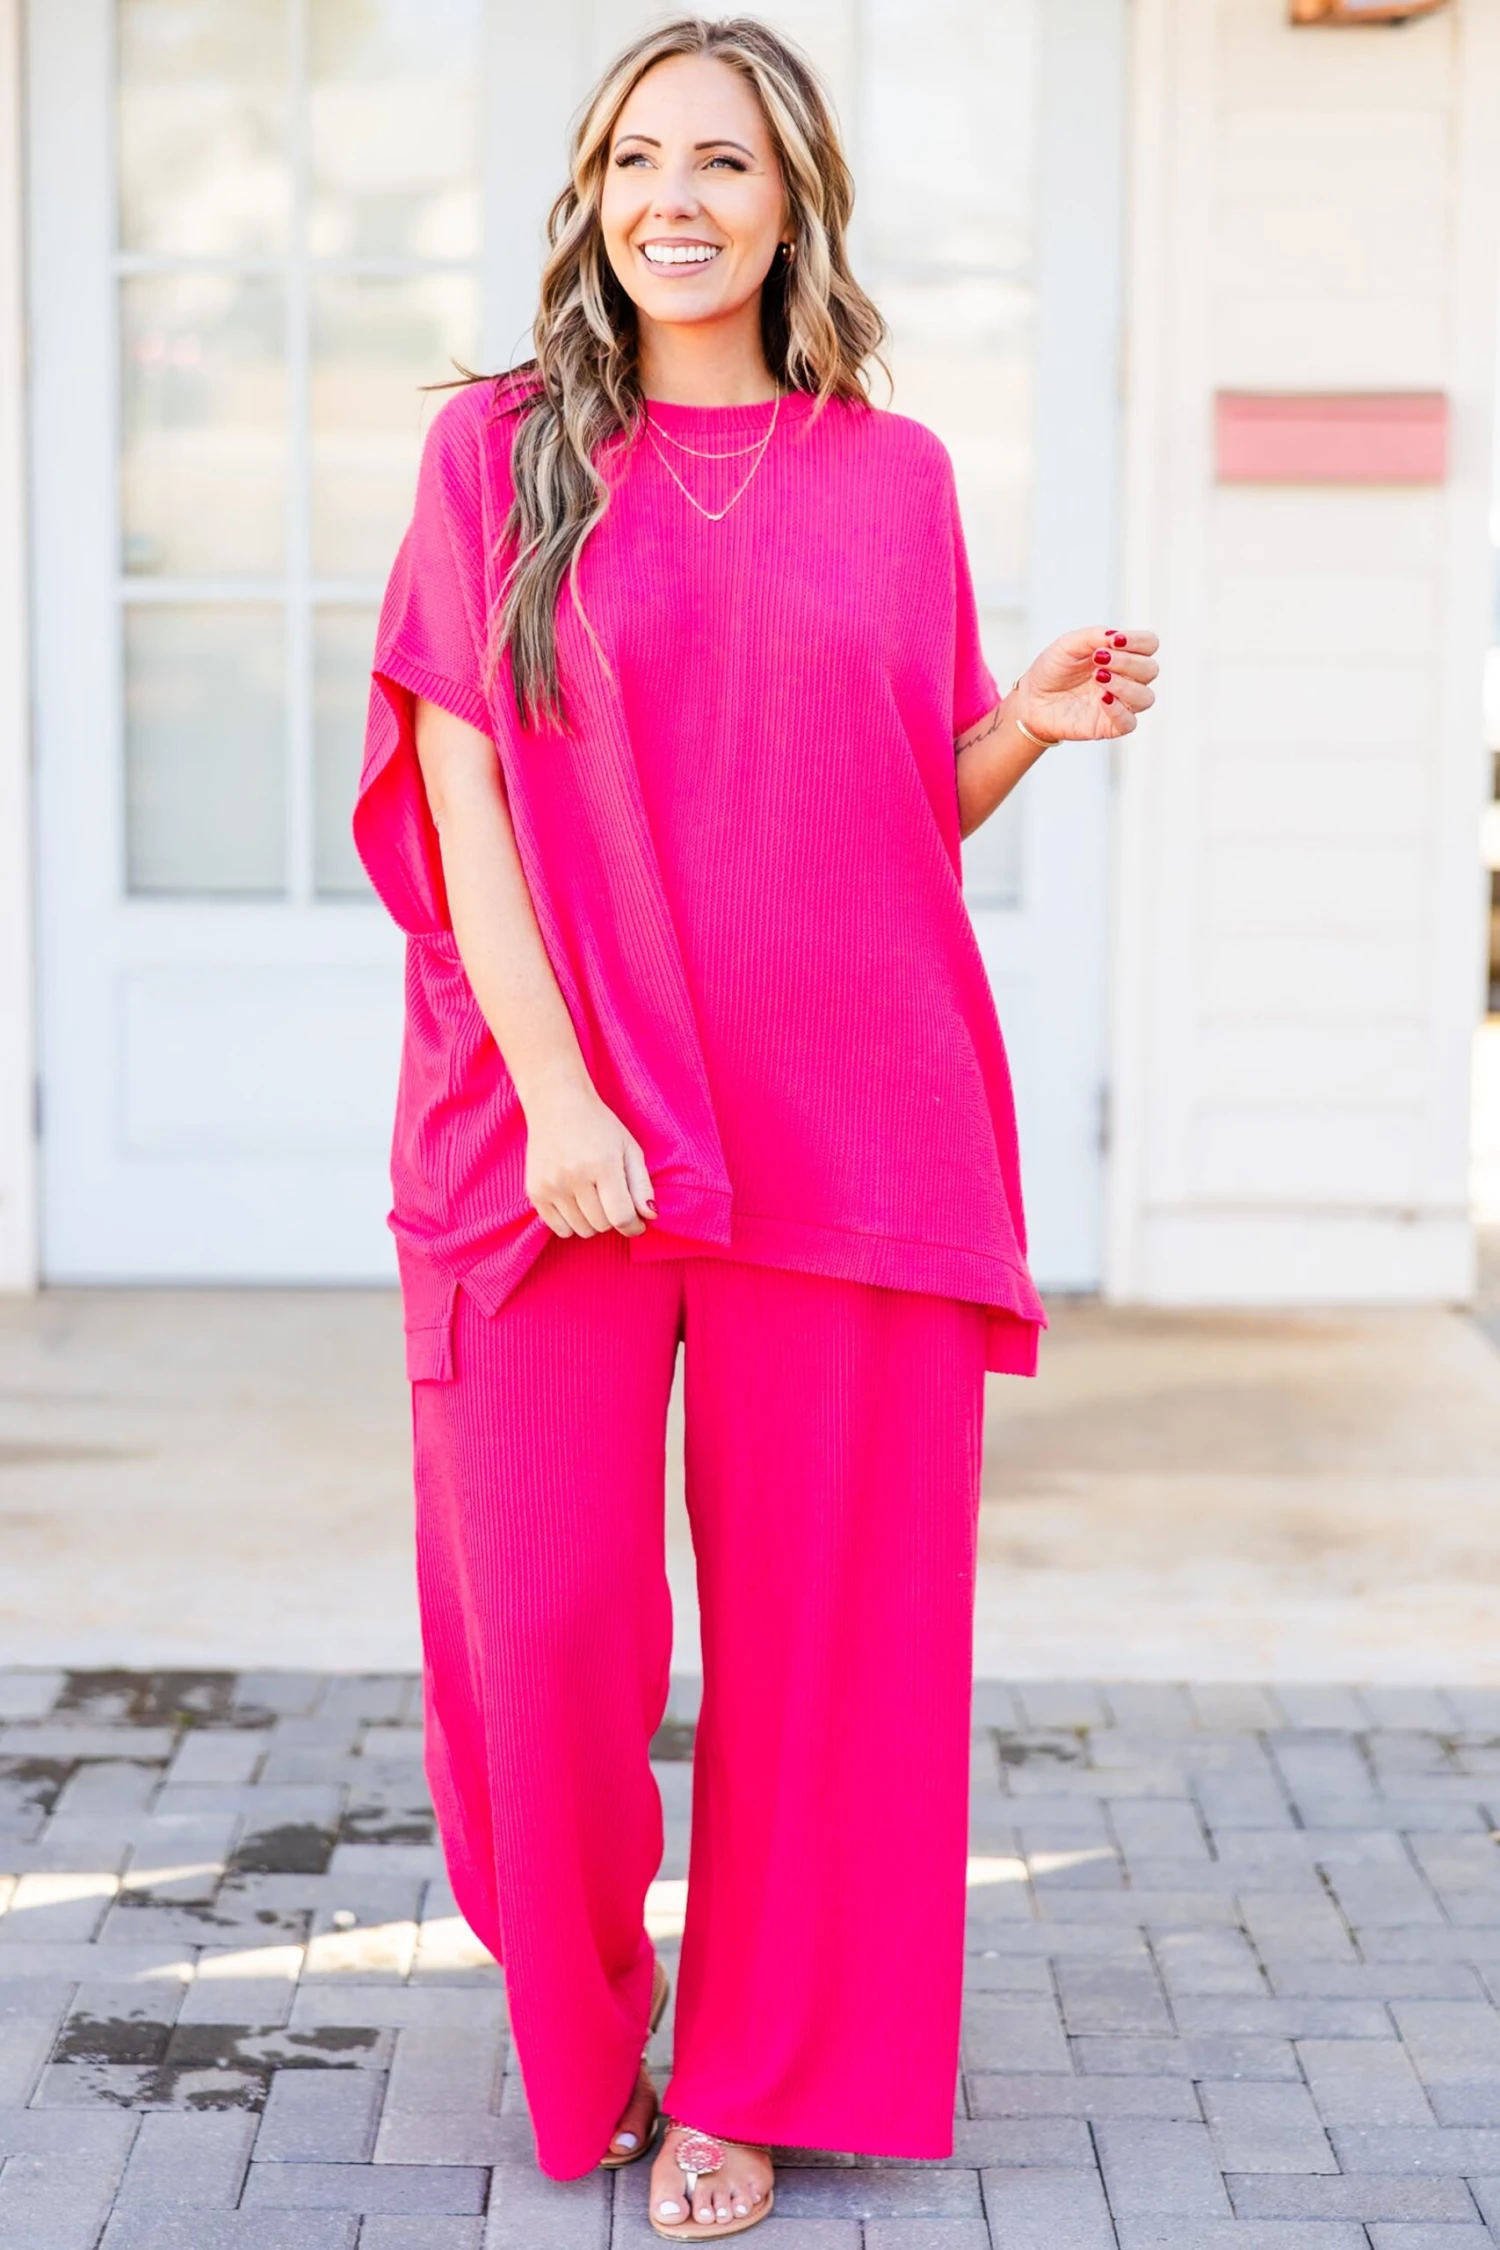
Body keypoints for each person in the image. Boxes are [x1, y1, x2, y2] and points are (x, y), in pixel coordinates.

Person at [354, 15, 1157, 2241]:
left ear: (794, 199)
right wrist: (558, 1092)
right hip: (550, 1146)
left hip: (847, 1126)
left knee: (826, 1650)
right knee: (547, 1637)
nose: (673, 199)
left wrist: (1020, 724)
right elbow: (464, 789)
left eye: (720, 160)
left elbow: (880, 816)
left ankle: (750, 2078)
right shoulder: (495, 454)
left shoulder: (891, 479)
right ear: (592, 196)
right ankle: (587, 2023)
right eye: (637, 159)